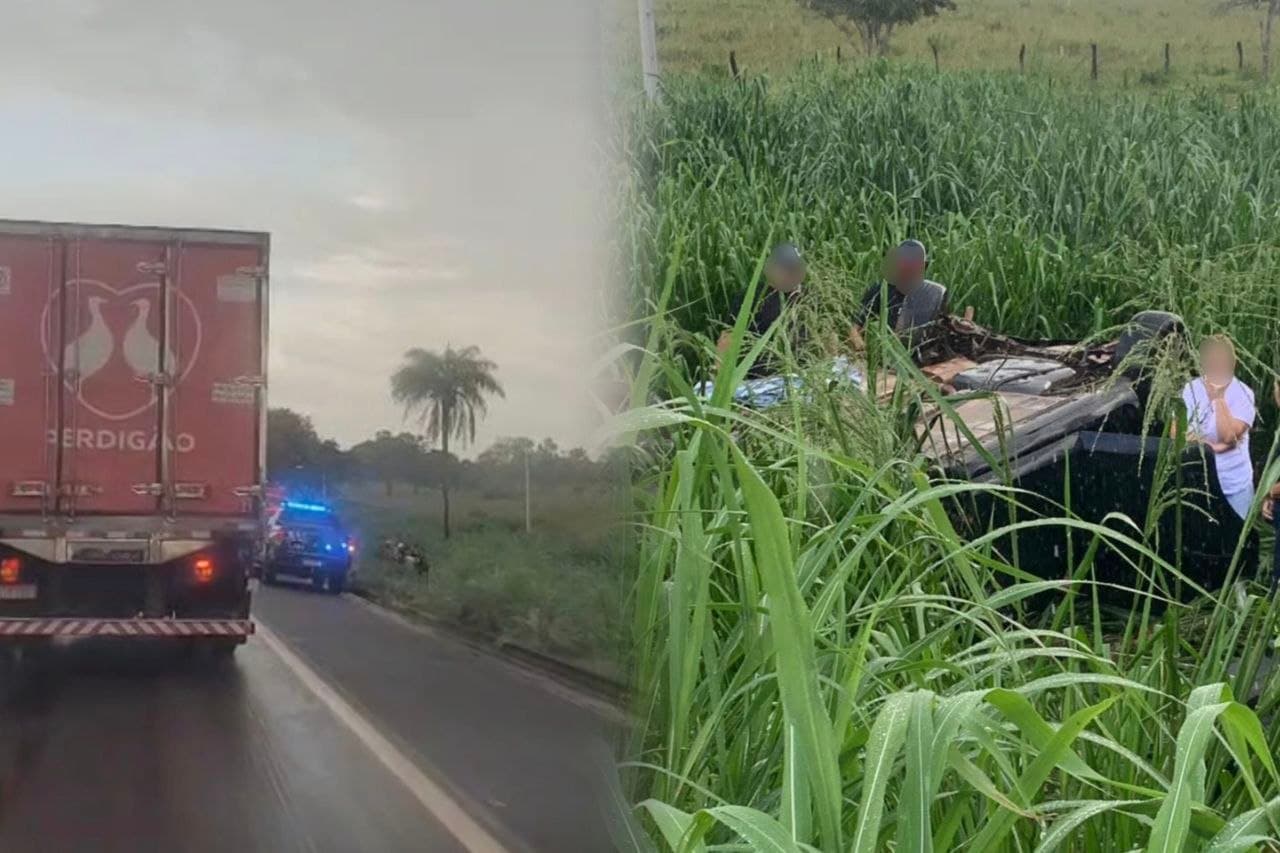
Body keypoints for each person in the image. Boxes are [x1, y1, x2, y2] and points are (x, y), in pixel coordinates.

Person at [1180, 335, 1256, 520]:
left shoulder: (1243, 394)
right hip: (1197, 481)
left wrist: (1219, 398)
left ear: (1233, 361)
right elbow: (1177, 432)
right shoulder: (1190, 389)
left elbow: (1229, 437)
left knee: (1236, 538)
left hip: (1233, 484)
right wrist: (1211, 447)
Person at [716, 242, 807, 378]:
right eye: (785, 268)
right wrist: (718, 376)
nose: (790, 273)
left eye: (794, 268)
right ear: (772, 267)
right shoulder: (751, 297)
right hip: (765, 381)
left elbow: (828, 334)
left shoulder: (811, 296)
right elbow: (728, 338)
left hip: (806, 377)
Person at [850, 239, 949, 351]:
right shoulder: (881, 290)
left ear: (923, 267)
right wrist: (860, 344)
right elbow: (855, 327)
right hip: (887, 353)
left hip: (922, 354)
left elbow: (942, 329)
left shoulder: (931, 295)